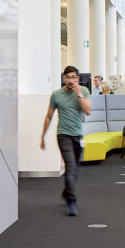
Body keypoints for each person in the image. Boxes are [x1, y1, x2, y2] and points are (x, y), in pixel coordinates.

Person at [40, 66, 91, 216]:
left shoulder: (83, 91)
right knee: (70, 167)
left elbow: (87, 111)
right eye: (67, 77)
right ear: (63, 79)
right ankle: (72, 202)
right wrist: (42, 136)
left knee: (76, 167)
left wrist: (79, 93)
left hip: (78, 135)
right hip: (63, 135)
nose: (70, 80)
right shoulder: (56, 95)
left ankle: (67, 191)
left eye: (73, 77)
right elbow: (49, 116)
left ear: (78, 79)